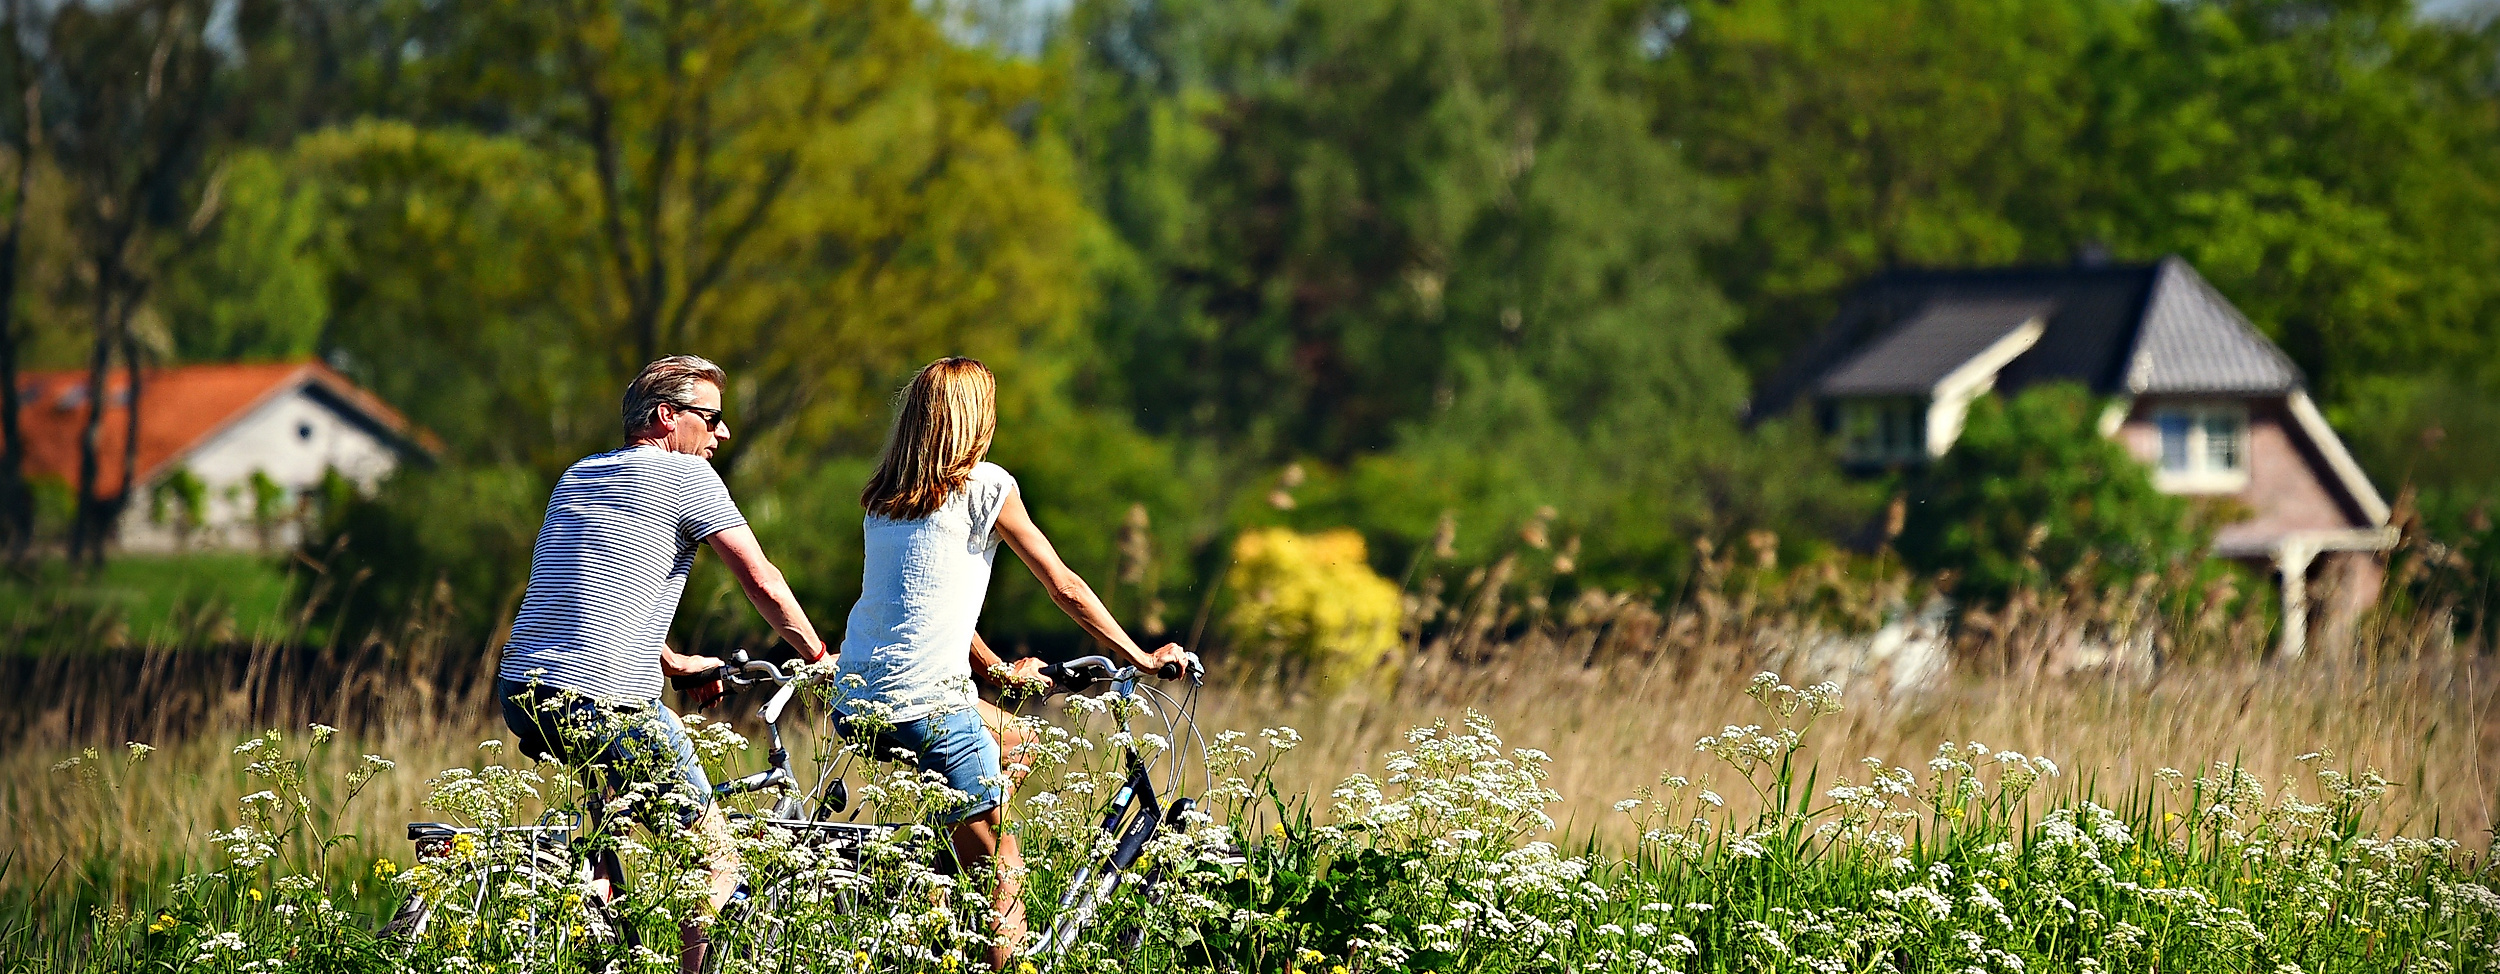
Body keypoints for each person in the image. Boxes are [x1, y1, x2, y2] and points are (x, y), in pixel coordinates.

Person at [835, 356, 1187, 971]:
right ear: (975, 421)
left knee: (1015, 738)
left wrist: (994, 671)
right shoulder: (988, 486)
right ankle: (995, 933)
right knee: (1007, 874)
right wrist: (1141, 656)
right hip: (927, 705)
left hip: (856, 696)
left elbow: (923, 604)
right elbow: (1064, 586)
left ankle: (944, 871)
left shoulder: (884, 499)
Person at [495, 355, 828, 974]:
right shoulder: (687, 478)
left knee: (601, 849)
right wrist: (817, 654)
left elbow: (592, 591)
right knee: (712, 863)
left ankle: (596, 943)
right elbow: (761, 580)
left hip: (524, 690)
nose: (722, 434)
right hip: (603, 699)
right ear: (666, 418)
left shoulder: (579, 475)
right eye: (711, 419)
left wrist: (672, 662)